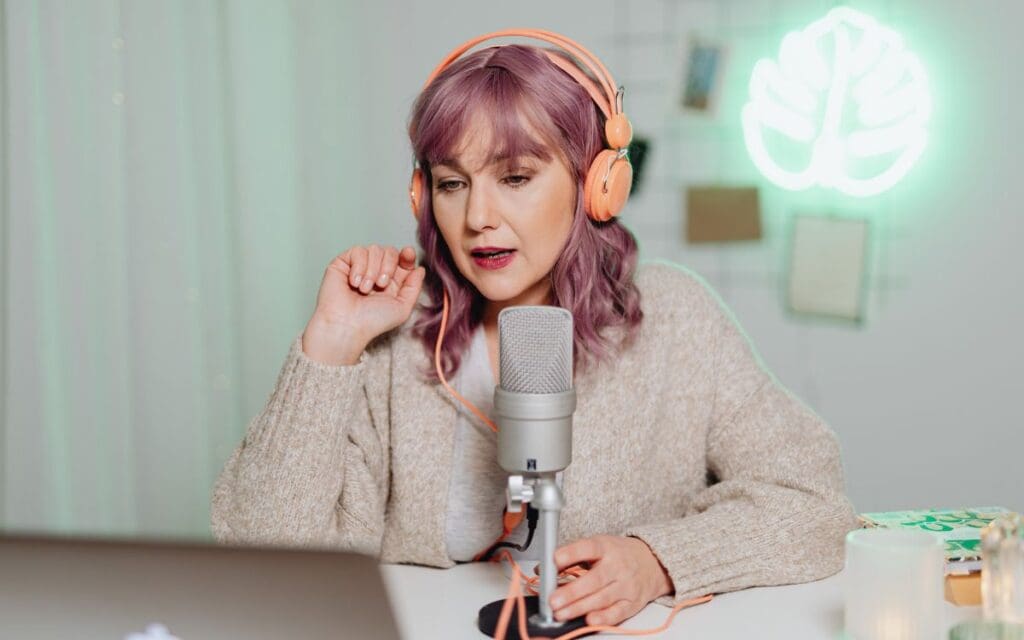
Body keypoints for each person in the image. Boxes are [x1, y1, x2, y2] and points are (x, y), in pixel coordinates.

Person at [211, 30, 858, 628]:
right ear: (423, 196)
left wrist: (655, 559)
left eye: (515, 177)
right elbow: (267, 561)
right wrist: (329, 346)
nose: (477, 218)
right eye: (452, 183)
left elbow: (812, 503)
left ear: (595, 184)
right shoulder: (393, 341)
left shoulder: (676, 319)